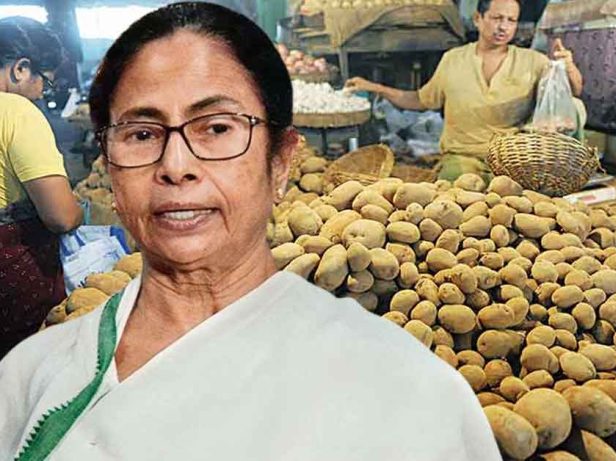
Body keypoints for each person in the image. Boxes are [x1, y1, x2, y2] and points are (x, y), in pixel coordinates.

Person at [0, 3, 501, 460]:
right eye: (142, 134)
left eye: (217, 128)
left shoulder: (418, 400)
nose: (177, 167)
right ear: (109, 166)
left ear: (281, 162)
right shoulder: (30, 378)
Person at [345, 0, 584, 182]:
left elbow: (571, 94)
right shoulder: (453, 60)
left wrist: (567, 66)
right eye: (497, 17)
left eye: (511, 21)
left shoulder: (532, 61)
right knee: (453, 201)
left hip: (512, 159)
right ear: (478, 18)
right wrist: (374, 87)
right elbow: (420, 99)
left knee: (517, 209)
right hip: (462, 157)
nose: (503, 27)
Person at [0, 17, 83, 358]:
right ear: (21, 69)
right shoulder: (16, 111)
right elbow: (60, 217)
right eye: (45, 85)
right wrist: (80, 210)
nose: (41, 95)